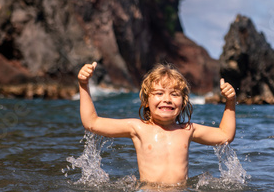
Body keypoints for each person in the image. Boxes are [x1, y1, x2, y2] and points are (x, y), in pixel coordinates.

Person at [78, 62, 236, 185]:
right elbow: (92, 122)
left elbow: (225, 135)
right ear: (146, 101)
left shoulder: (188, 129)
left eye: (174, 94)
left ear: (183, 103)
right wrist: (83, 85)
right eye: (159, 93)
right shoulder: (138, 128)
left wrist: (230, 101)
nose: (167, 99)